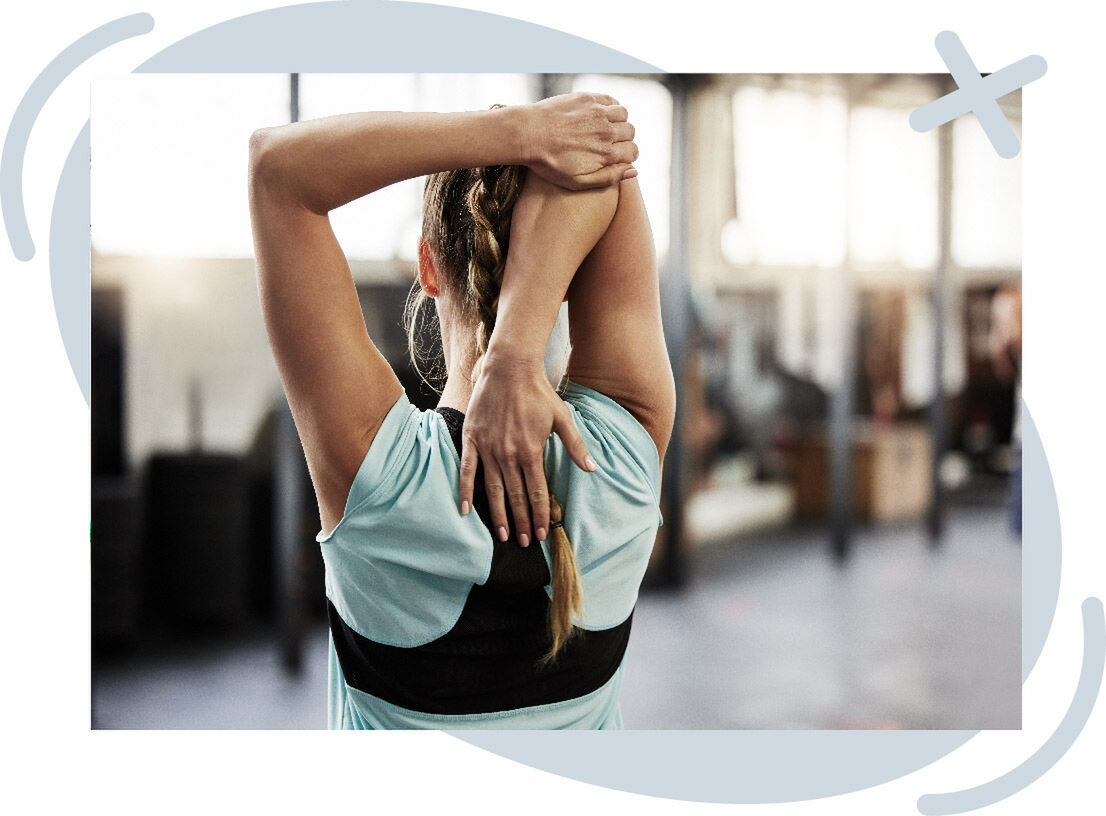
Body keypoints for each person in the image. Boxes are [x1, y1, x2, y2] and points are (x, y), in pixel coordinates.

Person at [248, 92, 675, 729]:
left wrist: (516, 132)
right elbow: (606, 151)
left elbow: (277, 169)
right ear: (577, 265)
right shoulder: (620, 453)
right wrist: (518, 348)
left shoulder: (382, 475)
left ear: (428, 264)